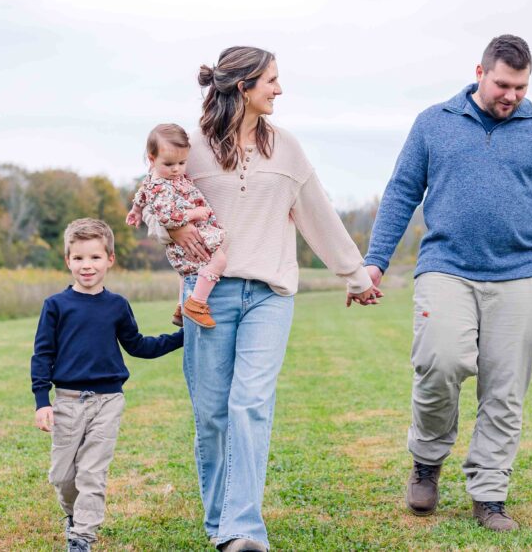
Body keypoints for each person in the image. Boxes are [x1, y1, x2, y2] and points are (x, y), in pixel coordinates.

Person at [146, 46, 380, 552]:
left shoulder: (287, 149)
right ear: (242, 87)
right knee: (211, 414)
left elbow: (318, 214)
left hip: (270, 295)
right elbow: (155, 199)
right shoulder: (192, 147)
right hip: (209, 296)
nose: (279, 89)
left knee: (250, 405)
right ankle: (220, 524)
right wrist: (173, 227)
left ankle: (243, 531)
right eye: (271, 80)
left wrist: (356, 275)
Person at [363, 34, 532, 532]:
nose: (511, 95)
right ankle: (426, 461)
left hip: (521, 274)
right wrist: (375, 260)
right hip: (446, 266)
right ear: (480, 72)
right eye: (503, 84)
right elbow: (401, 193)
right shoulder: (433, 123)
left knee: (504, 389)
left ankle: (489, 493)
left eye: (521, 88)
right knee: (439, 363)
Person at [30, 218, 183, 552]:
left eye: (95, 257)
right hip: (67, 401)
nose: (87, 265)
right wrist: (43, 401)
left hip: (107, 400)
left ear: (110, 259)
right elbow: (42, 355)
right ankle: (73, 515)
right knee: (63, 477)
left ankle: (82, 536)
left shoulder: (117, 306)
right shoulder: (55, 306)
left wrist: (183, 338)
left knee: (92, 473)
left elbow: (138, 345)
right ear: (67, 260)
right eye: (79, 258)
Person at [126, 123, 227, 327]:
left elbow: (142, 193)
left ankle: (181, 307)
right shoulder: (161, 186)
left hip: (188, 238)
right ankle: (196, 303)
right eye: (169, 164)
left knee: (187, 272)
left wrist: (136, 210)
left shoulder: (154, 179)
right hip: (189, 237)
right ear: (152, 159)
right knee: (218, 261)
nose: (176, 169)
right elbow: (167, 217)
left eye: (182, 163)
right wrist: (195, 213)